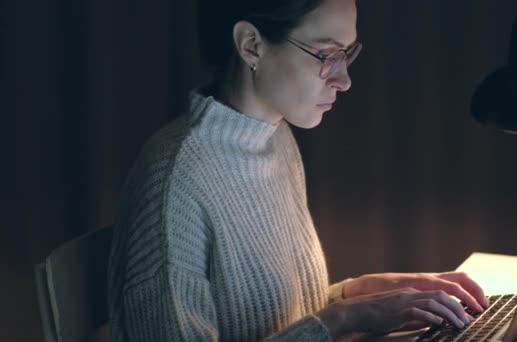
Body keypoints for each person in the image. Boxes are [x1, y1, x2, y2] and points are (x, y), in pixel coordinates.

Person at [107, 0, 490, 341]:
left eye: (348, 53)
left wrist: (357, 295)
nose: (344, 79)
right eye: (327, 55)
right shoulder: (175, 180)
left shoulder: (276, 138)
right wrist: (339, 320)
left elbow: (269, 318)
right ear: (251, 45)